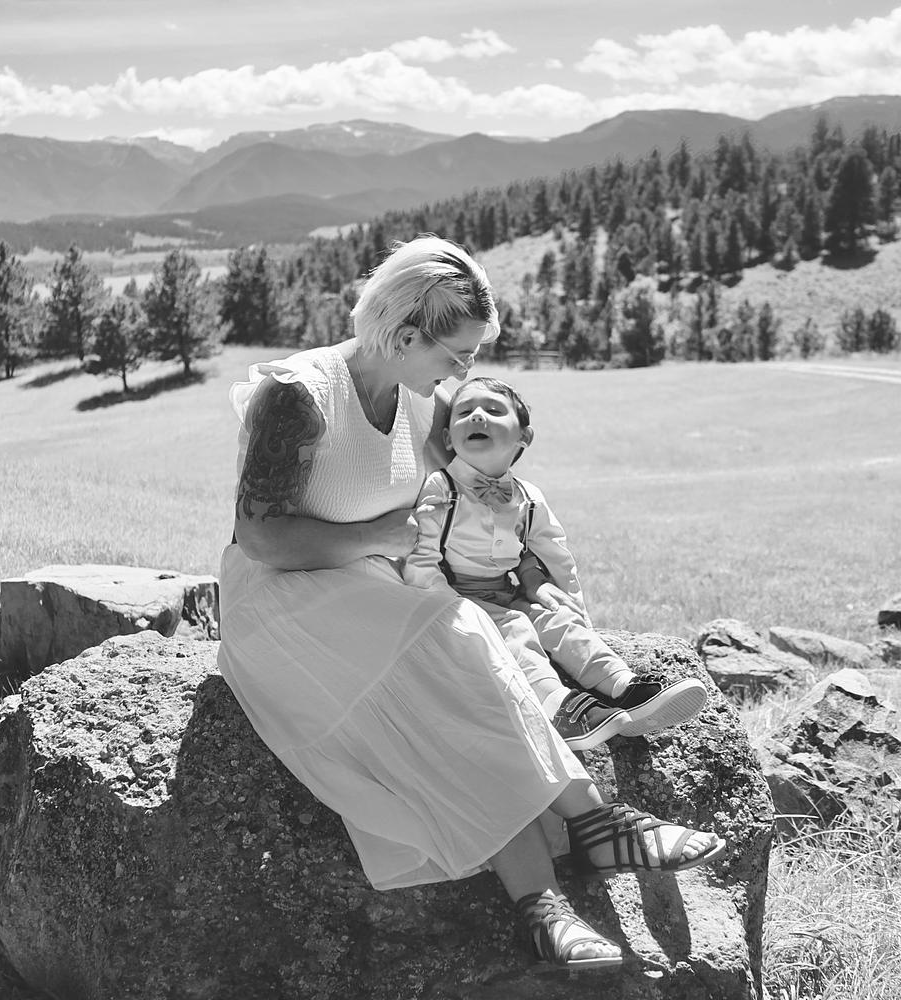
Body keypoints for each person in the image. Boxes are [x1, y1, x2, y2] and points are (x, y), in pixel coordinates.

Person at [217, 235, 727, 973]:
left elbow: (480, 485)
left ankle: (546, 906)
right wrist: (381, 535)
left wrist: (524, 567)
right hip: (281, 604)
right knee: (455, 636)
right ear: (403, 335)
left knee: (460, 685)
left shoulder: (422, 399)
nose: (464, 372)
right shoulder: (299, 395)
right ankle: (595, 830)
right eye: (455, 354)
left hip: (367, 592)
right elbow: (260, 536)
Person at [402, 376, 708, 751]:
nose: (478, 416)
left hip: (506, 592)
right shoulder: (441, 488)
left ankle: (624, 687)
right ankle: (558, 708)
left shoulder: (529, 498)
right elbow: (421, 554)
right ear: (448, 438)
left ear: (524, 437)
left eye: (493, 410)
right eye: (465, 412)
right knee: (516, 629)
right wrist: (447, 608)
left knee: (555, 619)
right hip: (456, 600)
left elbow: (552, 553)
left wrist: (557, 597)